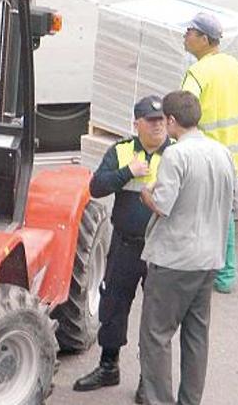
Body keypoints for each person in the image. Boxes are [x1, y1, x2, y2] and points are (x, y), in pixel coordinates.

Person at [138, 90, 238, 405]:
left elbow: (162, 205)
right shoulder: (222, 153)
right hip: (209, 259)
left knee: (156, 336)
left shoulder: (176, 155)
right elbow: (235, 202)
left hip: (174, 259)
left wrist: (146, 193)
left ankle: (158, 400)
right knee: (196, 337)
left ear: (171, 120)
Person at [73, 95, 171, 404]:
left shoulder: (178, 155)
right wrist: (128, 170)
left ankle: (148, 379)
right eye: (151, 121)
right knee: (113, 305)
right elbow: (96, 187)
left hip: (161, 248)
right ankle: (108, 365)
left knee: (156, 317)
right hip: (126, 244)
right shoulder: (121, 151)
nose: (157, 126)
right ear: (136, 124)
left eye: (161, 120)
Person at [180, 11, 238, 294]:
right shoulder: (234, 65)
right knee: (225, 215)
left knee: (197, 213)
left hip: (203, 156)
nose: (185, 36)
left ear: (204, 39)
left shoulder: (198, 72)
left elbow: (182, 111)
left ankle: (202, 271)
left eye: (190, 32)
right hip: (232, 154)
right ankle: (225, 274)